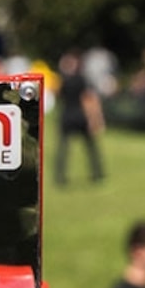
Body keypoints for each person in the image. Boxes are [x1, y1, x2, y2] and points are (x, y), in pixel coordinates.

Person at [53, 51, 106, 187]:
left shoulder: (62, 80)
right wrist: (94, 118)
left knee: (63, 148)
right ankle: (97, 173)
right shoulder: (81, 79)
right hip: (80, 116)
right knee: (90, 147)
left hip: (67, 116)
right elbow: (88, 99)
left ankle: (60, 176)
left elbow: (57, 95)